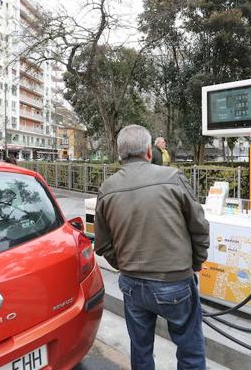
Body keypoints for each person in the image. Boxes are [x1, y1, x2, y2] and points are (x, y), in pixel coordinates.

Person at [95, 124, 210, 370]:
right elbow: (199, 227)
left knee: (141, 350)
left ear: (120, 155)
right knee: (190, 349)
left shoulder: (106, 189)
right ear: (149, 151)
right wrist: (196, 263)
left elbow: (103, 243)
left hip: (132, 284)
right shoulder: (172, 178)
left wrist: (124, 264)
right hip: (175, 281)